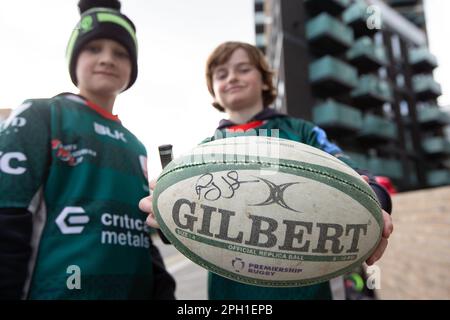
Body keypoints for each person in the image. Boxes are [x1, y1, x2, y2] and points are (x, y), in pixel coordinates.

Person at [140, 41, 393, 300]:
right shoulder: (204, 153)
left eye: (243, 69)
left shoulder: (301, 132)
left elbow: (363, 179)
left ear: (264, 80)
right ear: (213, 91)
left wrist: (376, 203)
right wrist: (162, 210)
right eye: (222, 74)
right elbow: (176, 228)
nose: (233, 78)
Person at [0, 0, 175, 299]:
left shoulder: (136, 145)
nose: (107, 59)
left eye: (120, 53)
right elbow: (7, 218)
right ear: (74, 59)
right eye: (94, 49)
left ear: (132, 68)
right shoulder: (39, 115)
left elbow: (138, 233)